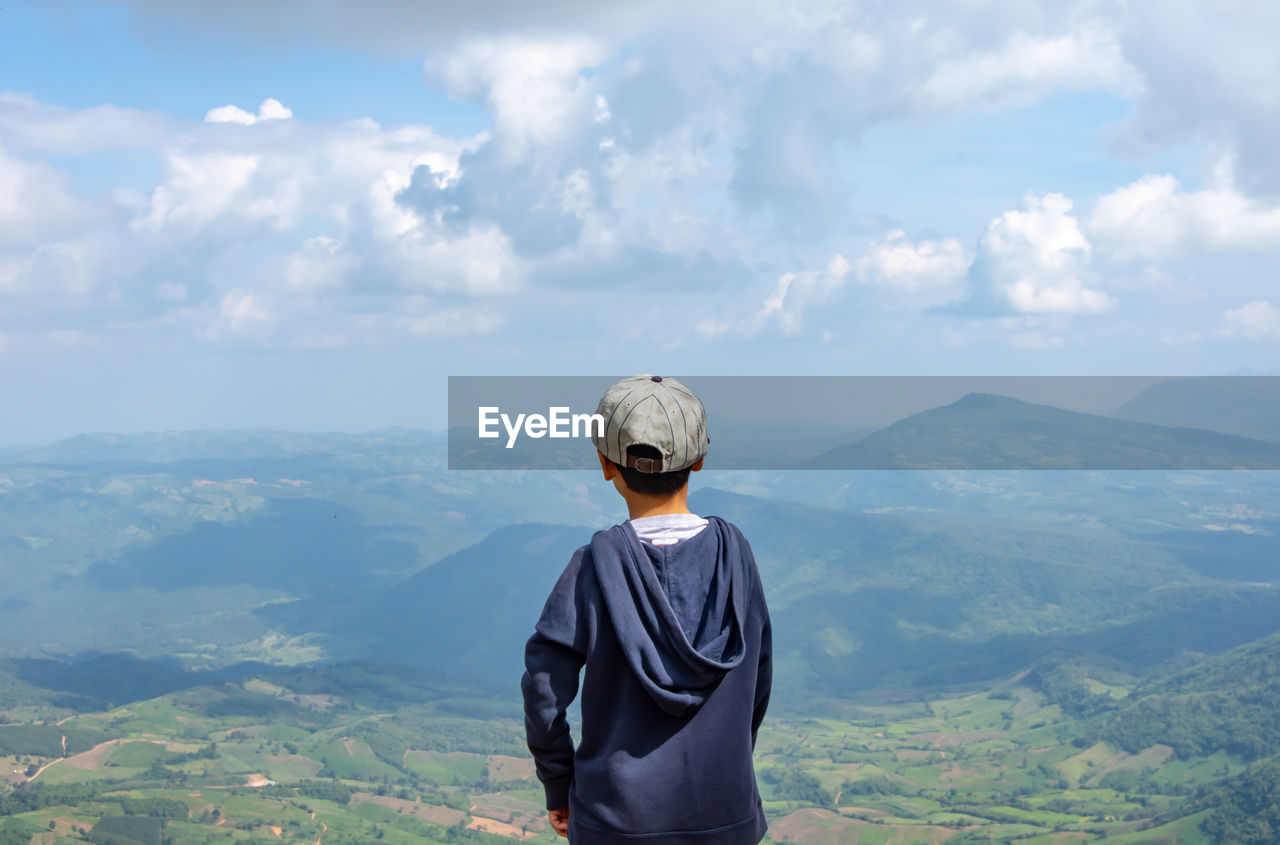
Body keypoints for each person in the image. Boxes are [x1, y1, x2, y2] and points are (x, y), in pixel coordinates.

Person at [521, 374, 773, 844]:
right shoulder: (735, 556)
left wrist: (559, 785)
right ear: (699, 460)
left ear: (605, 464)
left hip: (616, 823)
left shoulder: (592, 567)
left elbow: (544, 693)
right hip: (727, 818)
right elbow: (758, 677)